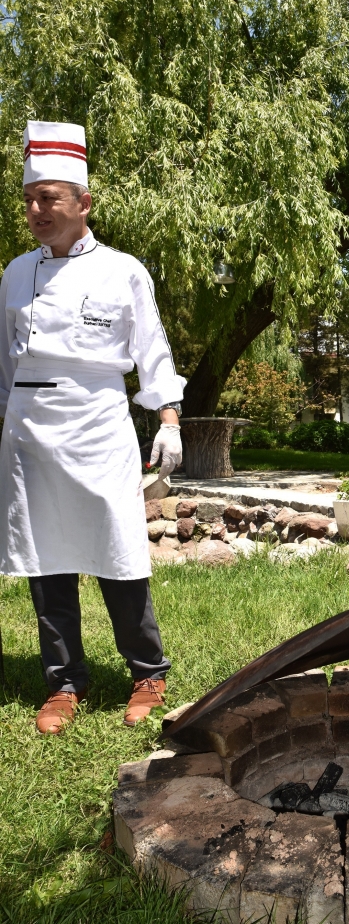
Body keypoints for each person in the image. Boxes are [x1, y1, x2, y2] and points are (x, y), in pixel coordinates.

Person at [0, 120, 185, 734]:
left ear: (83, 202)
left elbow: (152, 352)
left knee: (118, 552)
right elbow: (5, 363)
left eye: (48, 198)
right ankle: (64, 681)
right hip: (30, 431)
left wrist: (167, 418)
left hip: (99, 423)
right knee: (44, 558)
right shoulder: (13, 274)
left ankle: (148, 672)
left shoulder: (123, 271)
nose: (36, 210)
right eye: (29, 199)